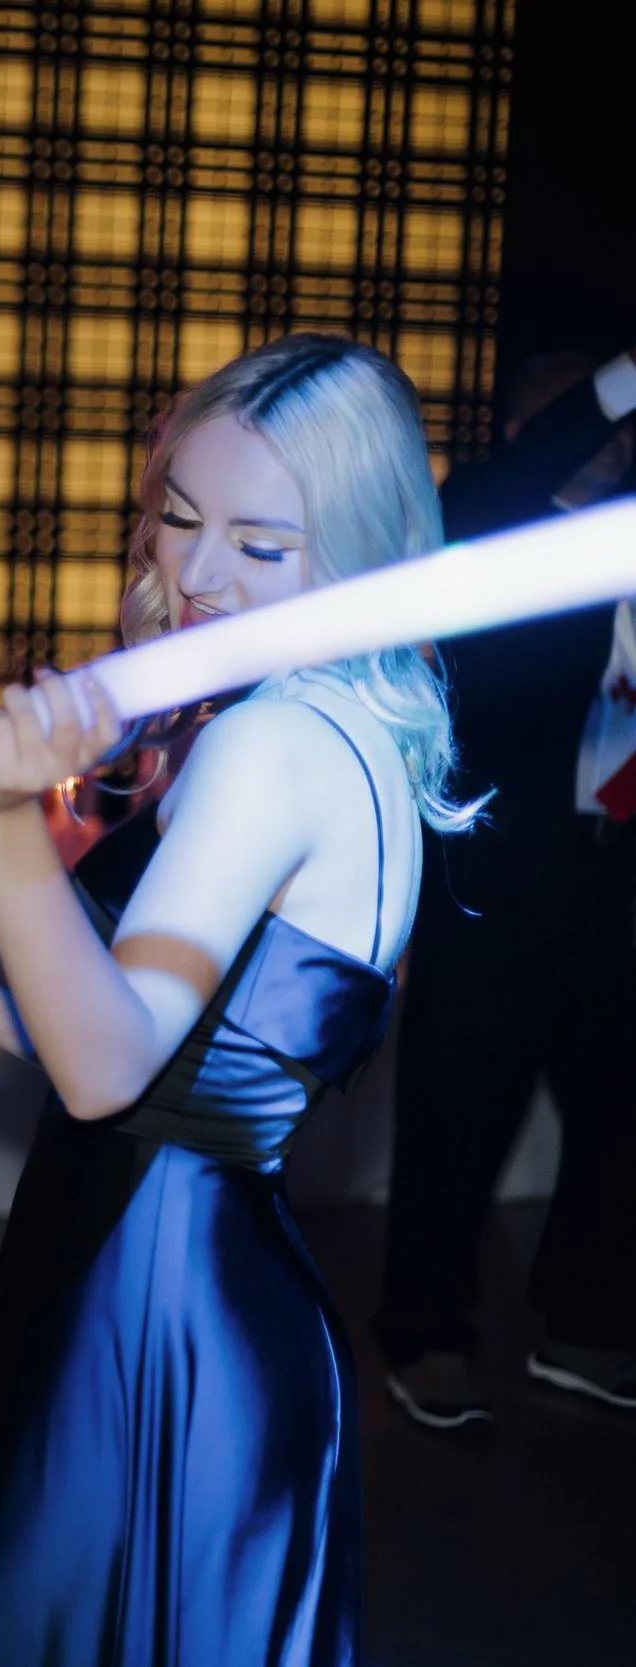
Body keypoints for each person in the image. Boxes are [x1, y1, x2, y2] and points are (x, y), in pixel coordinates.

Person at [0, 335, 473, 1665]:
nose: (200, 571)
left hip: (151, 1302)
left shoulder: (272, 744)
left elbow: (113, 1068)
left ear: (358, 548)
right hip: (201, 1279)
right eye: (179, 517)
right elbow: (207, 1036)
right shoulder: (344, 721)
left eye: (263, 543)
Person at [373, 337, 636, 1429]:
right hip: (497, 882)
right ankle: (423, 1335)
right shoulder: (490, 524)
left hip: (614, 875)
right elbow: (502, 481)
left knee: (621, 1116)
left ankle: (584, 1327)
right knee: (456, 1115)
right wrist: (620, 381)